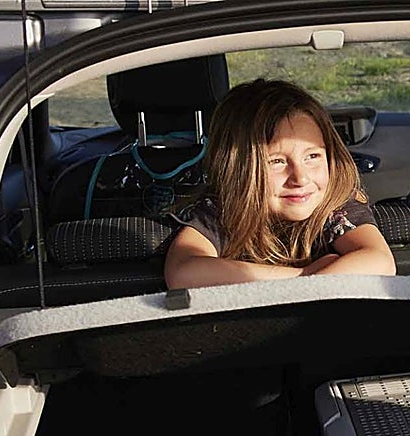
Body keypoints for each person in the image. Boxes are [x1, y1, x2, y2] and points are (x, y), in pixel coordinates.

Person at [165, 79, 395, 287]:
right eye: (276, 161)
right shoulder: (225, 209)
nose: (300, 178)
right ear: (237, 170)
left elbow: (380, 262)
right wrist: (301, 278)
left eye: (312, 157)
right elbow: (183, 273)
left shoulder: (334, 203)